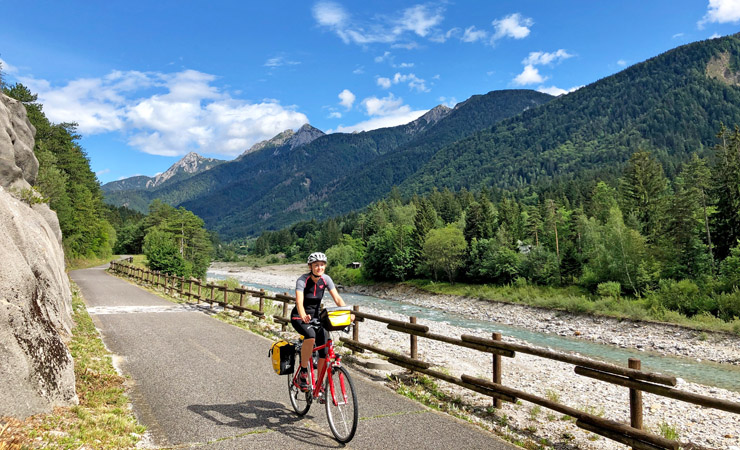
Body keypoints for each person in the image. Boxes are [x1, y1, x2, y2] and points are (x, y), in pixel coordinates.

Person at [290, 252, 348, 390]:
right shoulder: (302, 280)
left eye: (322, 265)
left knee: (325, 350)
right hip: (299, 316)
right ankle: (303, 372)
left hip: (316, 318)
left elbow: (338, 299)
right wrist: (303, 314)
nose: (319, 268)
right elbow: (299, 301)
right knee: (310, 336)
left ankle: (319, 384)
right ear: (310, 266)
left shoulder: (326, 279)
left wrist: (347, 312)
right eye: (316, 265)